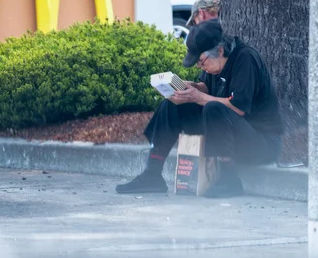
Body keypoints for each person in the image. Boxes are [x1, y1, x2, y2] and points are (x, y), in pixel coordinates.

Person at [116, 20, 284, 198]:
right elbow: (207, 87)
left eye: (202, 62)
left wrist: (199, 97)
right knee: (172, 104)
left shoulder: (246, 59)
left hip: (261, 143)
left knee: (214, 108)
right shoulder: (215, 64)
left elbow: (238, 107)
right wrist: (192, 88)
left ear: (220, 51)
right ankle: (153, 173)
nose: (200, 66)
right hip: (229, 133)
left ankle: (230, 179)